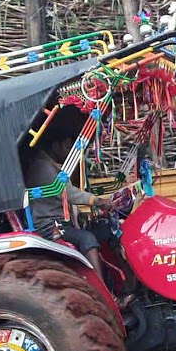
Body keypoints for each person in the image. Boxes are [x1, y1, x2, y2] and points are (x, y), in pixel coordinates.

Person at [21, 106, 115, 280]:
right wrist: (97, 201)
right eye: (67, 146)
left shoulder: (50, 165)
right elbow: (68, 193)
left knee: (105, 231)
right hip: (50, 227)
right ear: (56, 145)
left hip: (62, 223)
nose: (70, 151)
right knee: (86, 239)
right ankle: (102, 295)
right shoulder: (42, 167)